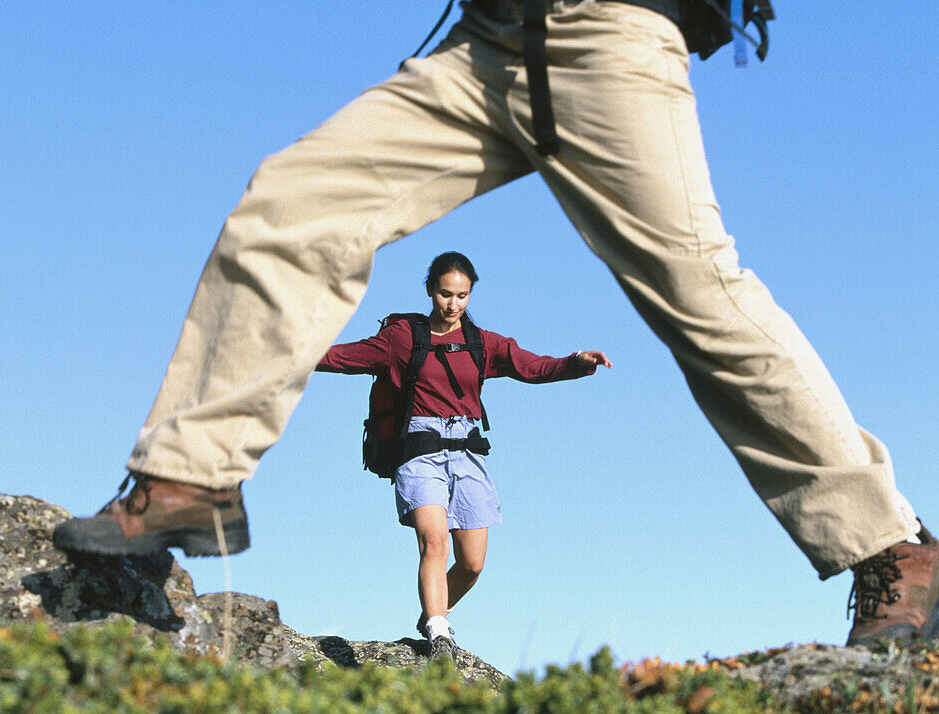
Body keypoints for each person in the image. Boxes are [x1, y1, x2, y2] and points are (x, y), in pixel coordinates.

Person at [53, 0, 938, 647]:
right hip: (487, 45)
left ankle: (890, 548)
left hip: (609, 36)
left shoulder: (483, 343)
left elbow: (522, 364)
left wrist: (568, 367)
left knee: (702, 297)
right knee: (291, 206)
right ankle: (190, 478)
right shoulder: (418, 335)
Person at [314, 251, 610, 658]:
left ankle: (433, 611)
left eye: (462, 296)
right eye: (444, 294)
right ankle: (439, 632)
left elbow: (532, 367)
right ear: (430, 290)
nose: (452, 305)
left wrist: (576, 363)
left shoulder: (481, 343)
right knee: (434, 543)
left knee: (471, 565)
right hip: (420, 448)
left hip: (468, 450)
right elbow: (346, 357)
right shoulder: (402, 338)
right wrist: (291, 356)